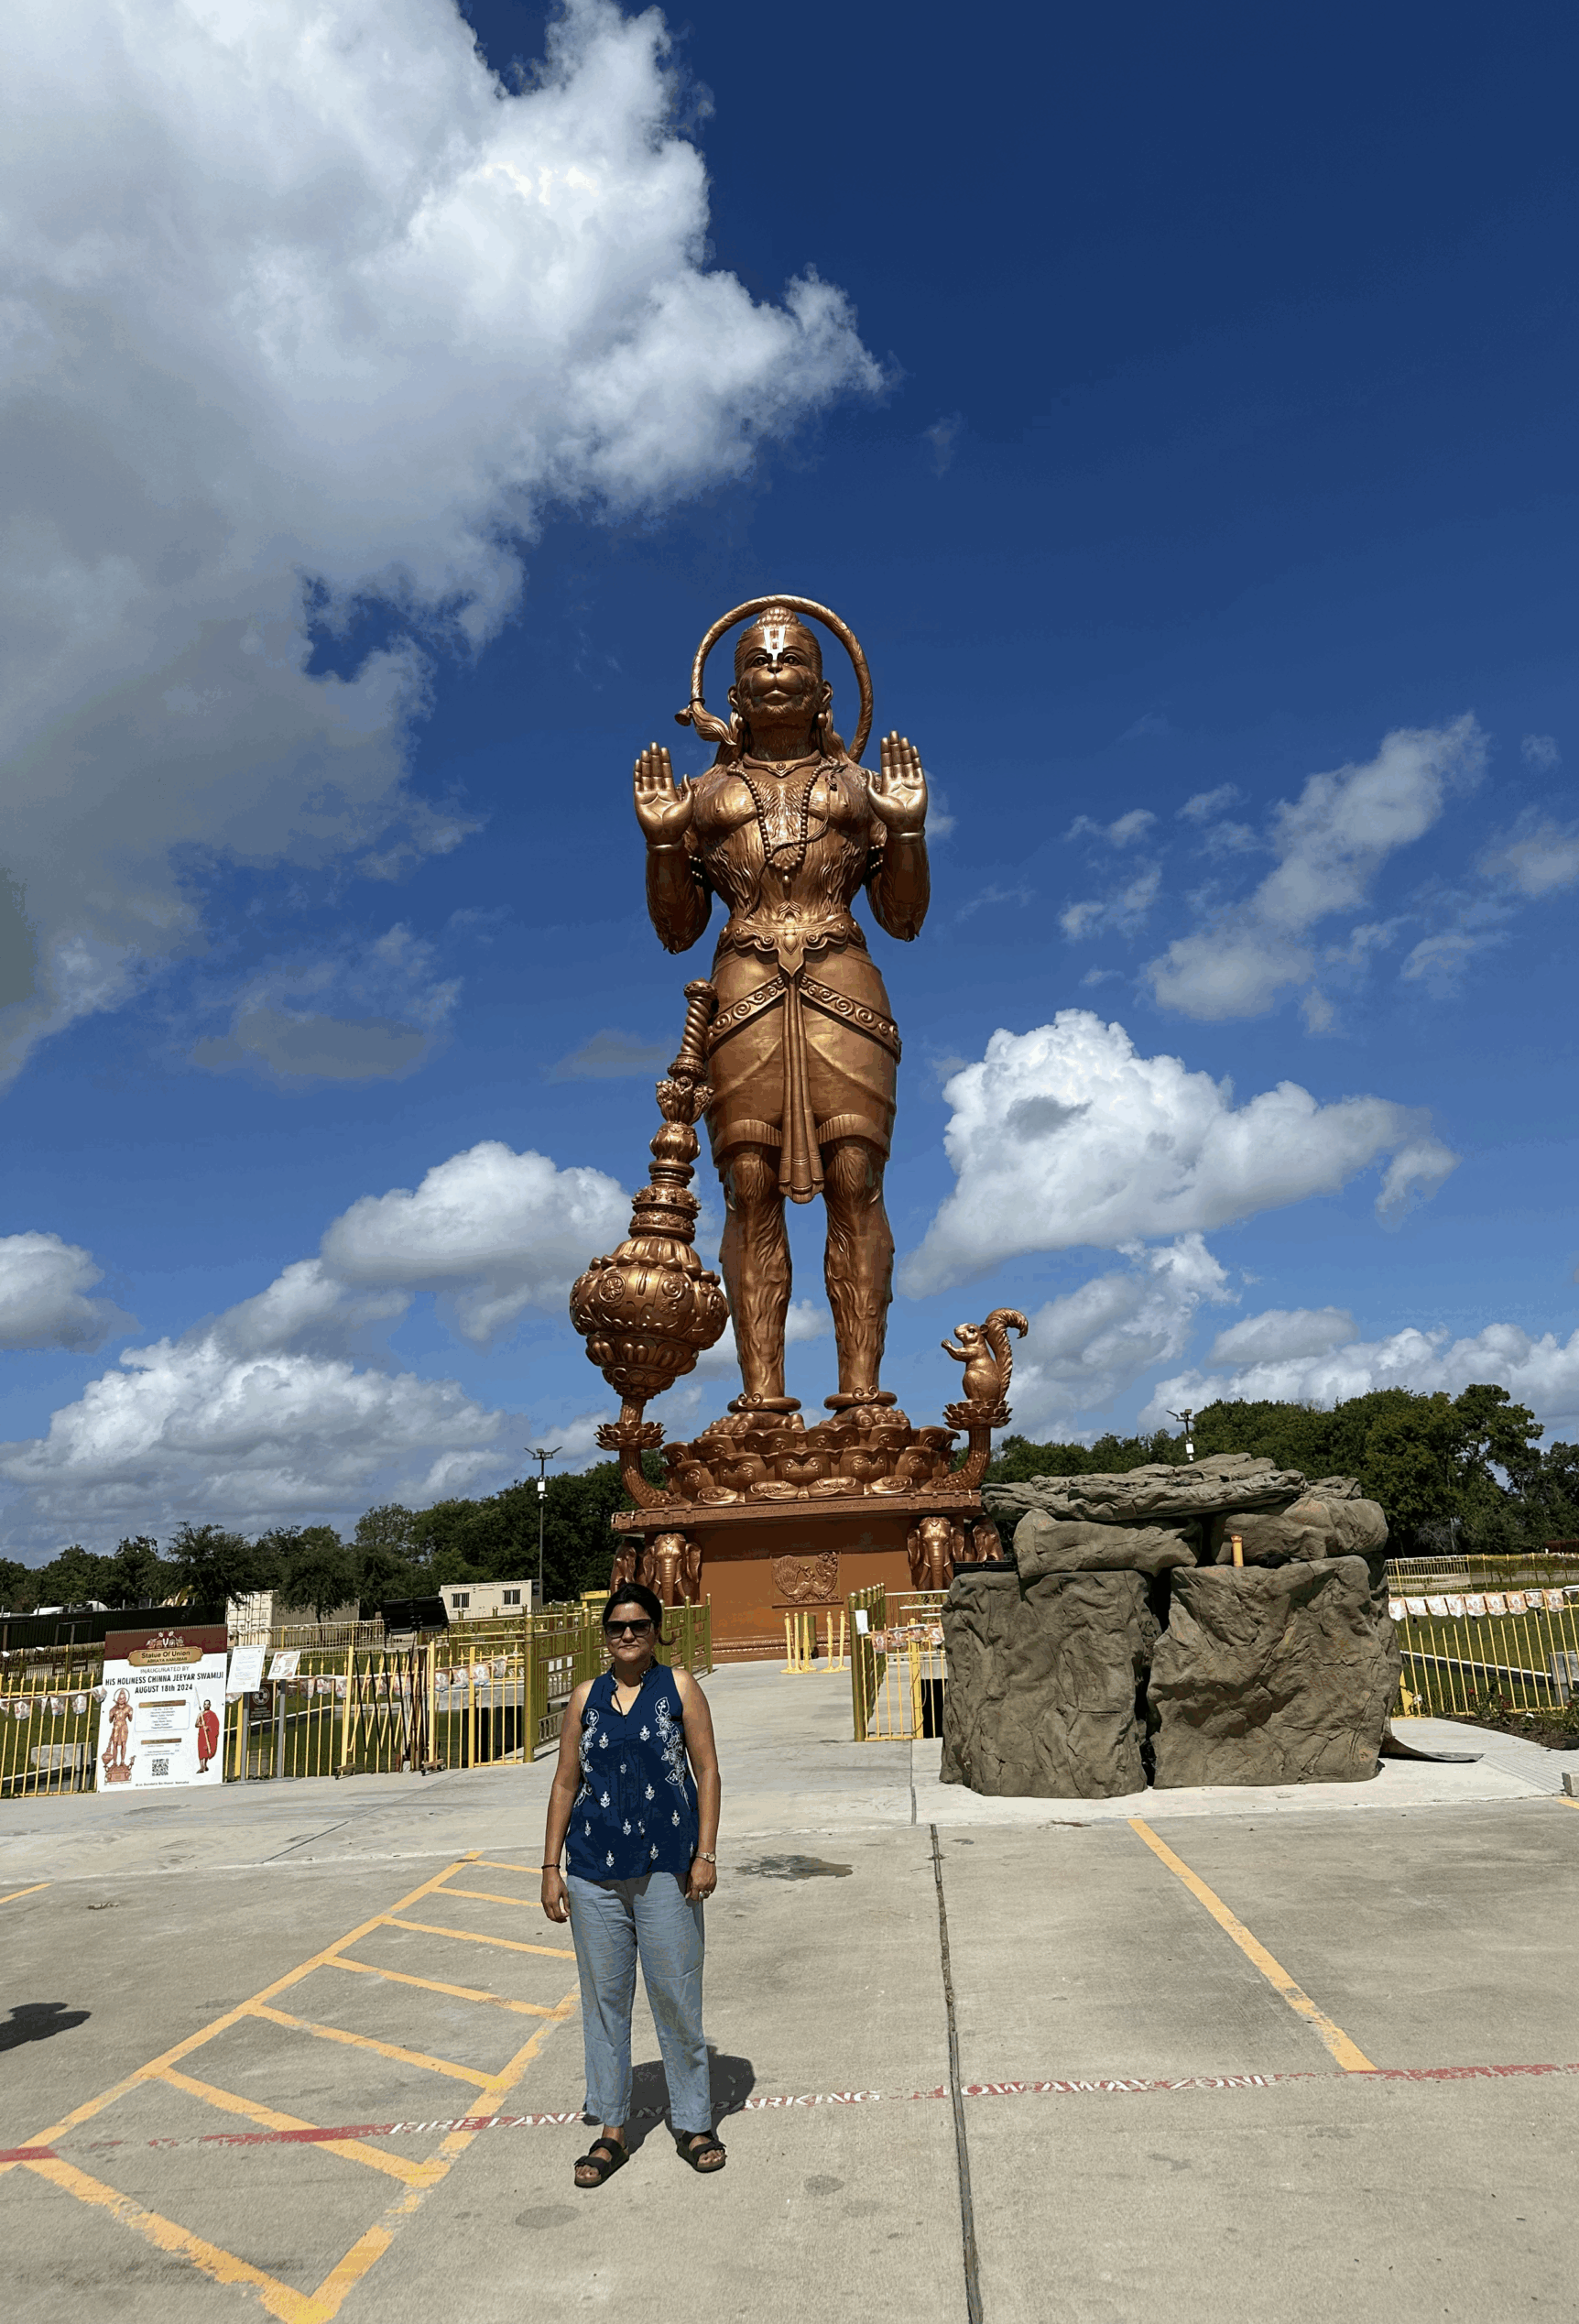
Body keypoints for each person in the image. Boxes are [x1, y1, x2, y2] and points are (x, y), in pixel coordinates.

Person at [633, 605, 930, 1411]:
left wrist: (905, 835)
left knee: (856, 1173)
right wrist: (665, 844)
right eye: (757, 663)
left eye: (790, 658)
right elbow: (677, 929)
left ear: (823, 688)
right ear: (732, 691)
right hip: (744, 987)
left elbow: (903, 919)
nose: (773, 671)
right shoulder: (702, 796)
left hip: (842, 979)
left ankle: (861, 1398)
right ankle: (763, 1401)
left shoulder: (860, 789)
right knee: (748, 1184)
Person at [541, 1581, 724, 2188]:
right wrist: (550, 1868)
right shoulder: (583, 1699)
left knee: (676, 1995)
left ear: (657, 1630)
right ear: (604, 1635)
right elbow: (566, 1783)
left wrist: (705, 1853)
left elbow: (708, 1772)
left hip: (667, 1870)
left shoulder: (680, 1689)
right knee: (604, 2002)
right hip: (594, 1871)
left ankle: (694, 2122)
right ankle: (612, 2129)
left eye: (639, 1626)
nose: (627, 1636)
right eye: (617, 1627)